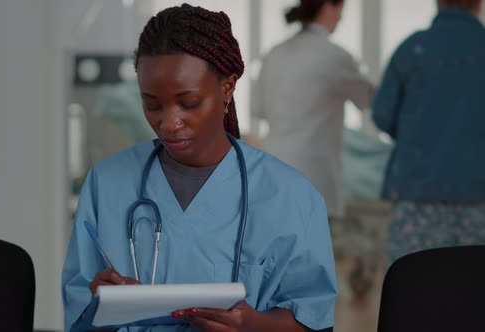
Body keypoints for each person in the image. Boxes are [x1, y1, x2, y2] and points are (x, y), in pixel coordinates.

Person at [62, 4, 336, 332]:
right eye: (152, 104)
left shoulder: (291, 196)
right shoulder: (106, 184)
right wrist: (100, 308)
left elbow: (313, 321)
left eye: (188, 103)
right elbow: (79, 318)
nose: (169, 123)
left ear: (227, 87)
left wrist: (253, 324)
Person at [372, 0, 485, 267]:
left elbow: (382, 115)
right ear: (478, 4)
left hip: (418, 196)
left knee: (415, 292)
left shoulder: (412, 49)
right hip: (480, 197)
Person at [252, 0, 374, 218]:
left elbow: (258, 109)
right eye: (340, 11)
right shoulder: (334, 56)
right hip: (313, 176)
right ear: (328, 7)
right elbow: (370, 100)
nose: (340, 18)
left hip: (271, 175)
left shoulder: (273, 55)